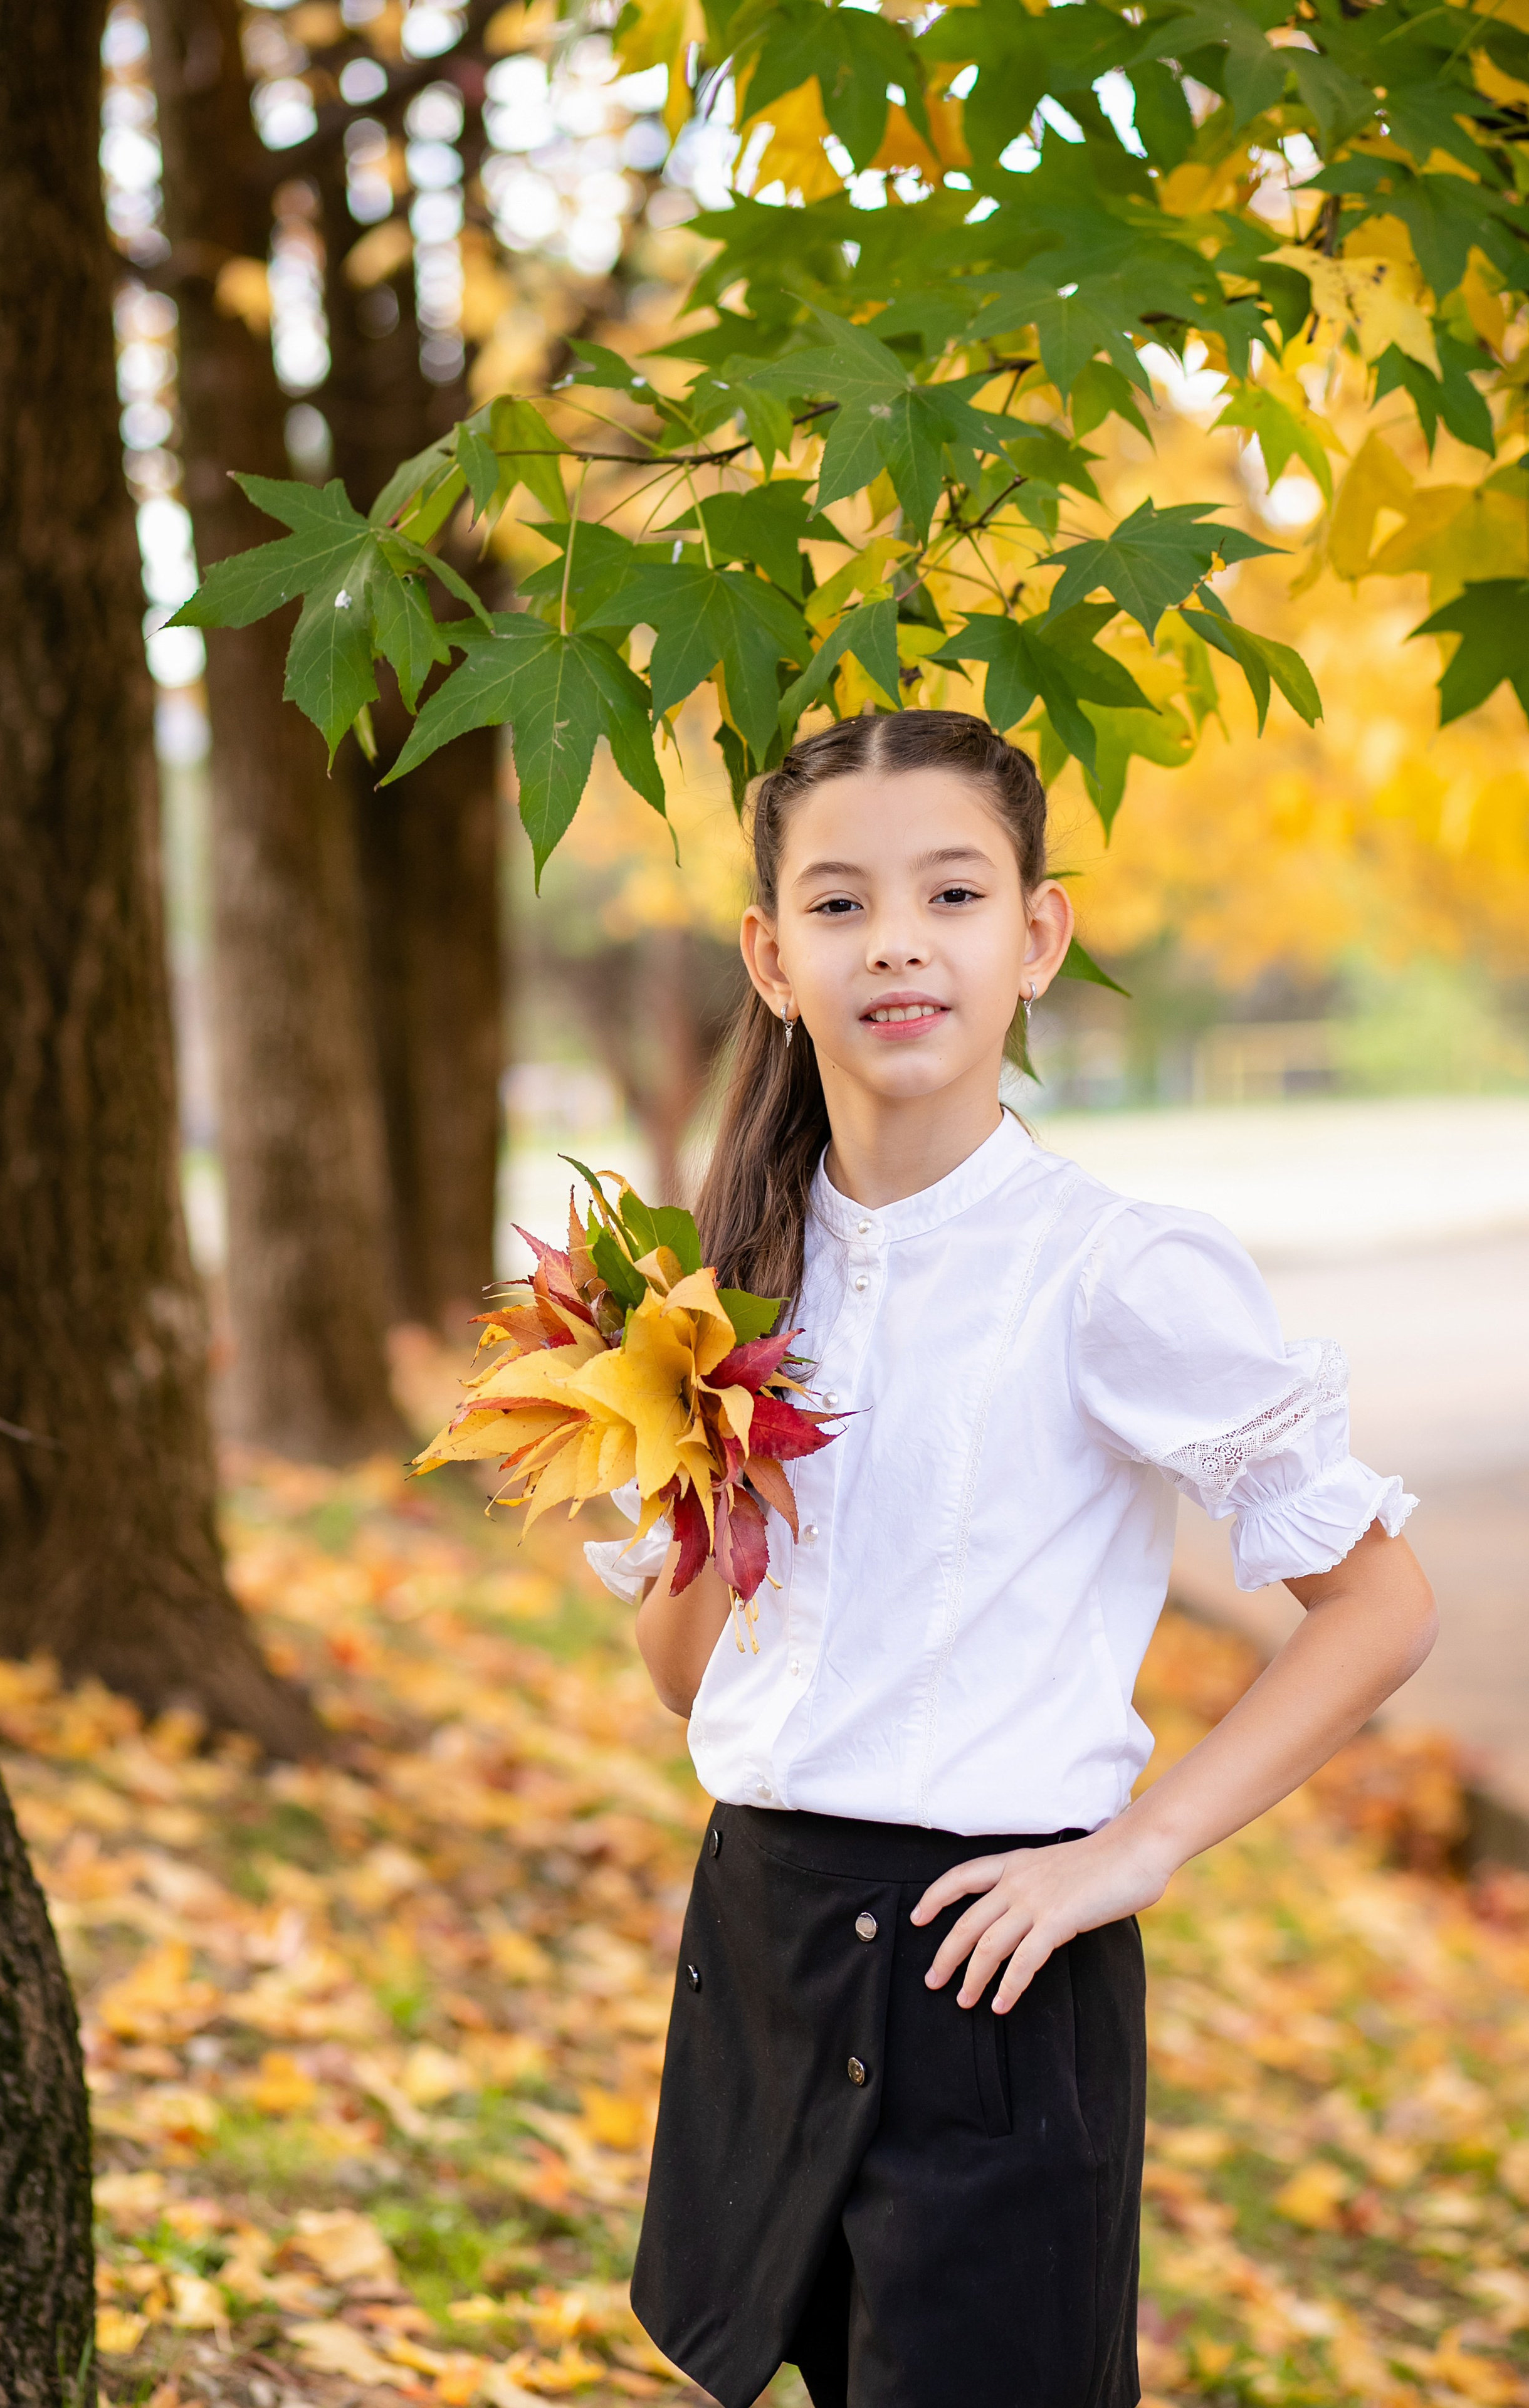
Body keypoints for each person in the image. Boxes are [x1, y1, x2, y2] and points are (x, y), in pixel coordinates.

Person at [584, 709, 1434, 2408]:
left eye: (952, 891)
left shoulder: (1113, 1270)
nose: (895, 937)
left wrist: (1136, 1848)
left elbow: (1383, 1603)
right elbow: (688, 1678)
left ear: (1034, 936)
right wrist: (688, 1423)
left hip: (993, 1967)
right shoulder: (731, 1275)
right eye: (838, 904)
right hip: (764, 1934)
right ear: (769, 955)